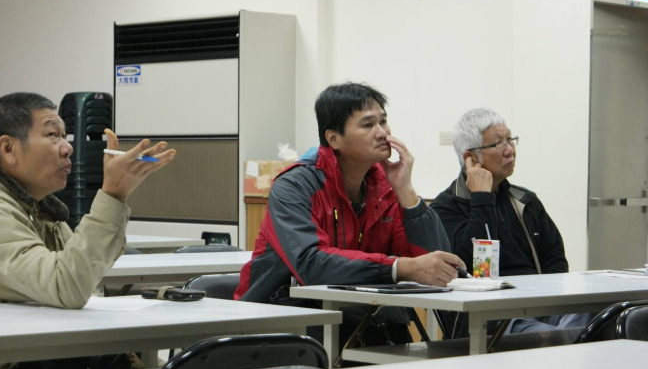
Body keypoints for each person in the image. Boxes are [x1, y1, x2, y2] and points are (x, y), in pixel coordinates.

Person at [0, 92, 175, 369]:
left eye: (64, 136)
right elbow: (67, 286)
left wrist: (118, 196)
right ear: (8, 148)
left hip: (27, 356)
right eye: (52, 135)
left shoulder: (37, 206)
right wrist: (113, 195)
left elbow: (80, 274)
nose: (67, 147)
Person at [234, 82, 462, 348]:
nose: (382, 133)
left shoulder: (386, 187)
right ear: (334, 139)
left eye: (383, 121)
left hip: (365, 318)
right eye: (368, 125)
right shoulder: (294, 186)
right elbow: (311, 264)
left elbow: (437, 263)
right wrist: (399, 268)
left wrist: (406, 190)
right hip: (285, 318)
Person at [430, 107, 589, 337]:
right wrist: (482, 197)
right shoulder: (446, 208)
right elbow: (473, 264)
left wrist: (548, 301)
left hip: (536, 305)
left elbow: (555, 259)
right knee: (554, 336)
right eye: (497, 143)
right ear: (470, 157)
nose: (510, 151)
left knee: (598, 316)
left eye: (510, 140)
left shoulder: (525, 201)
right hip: (489, 315)